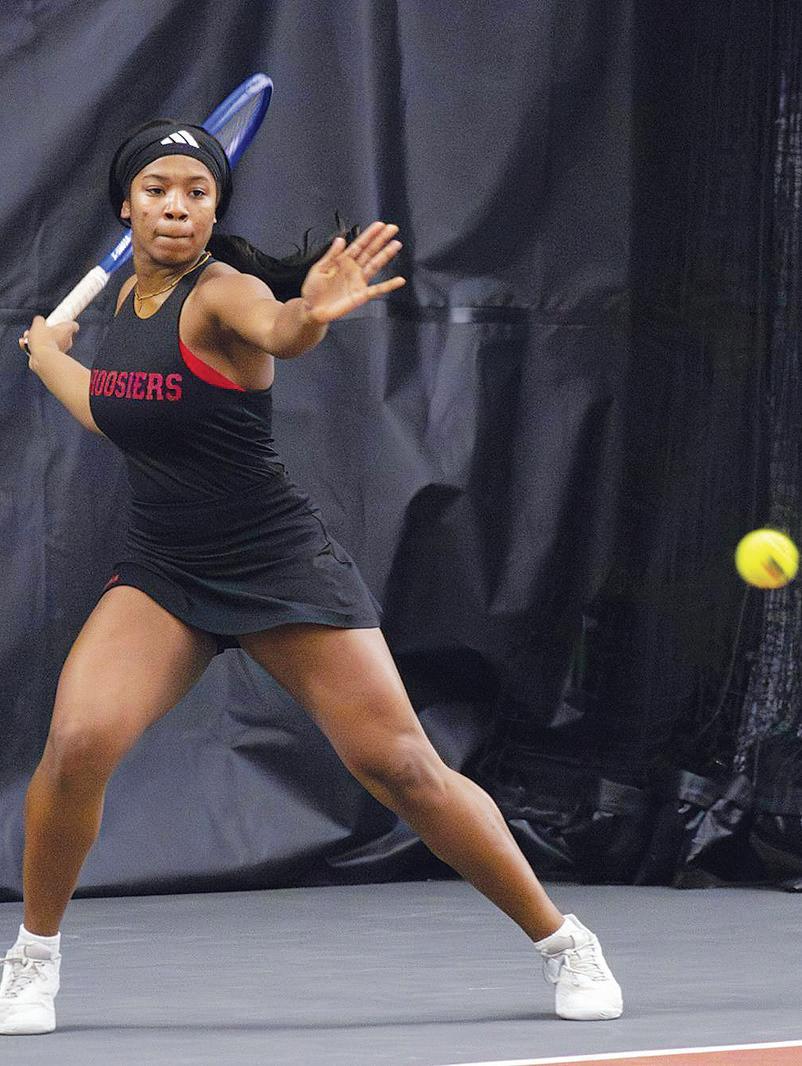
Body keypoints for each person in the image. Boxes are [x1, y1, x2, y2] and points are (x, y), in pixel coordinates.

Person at [0, 120, 623, 1035]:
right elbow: (112, 411)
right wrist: (52, 355)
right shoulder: (129, 299)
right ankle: (33, 957)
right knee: (79, 742)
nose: (177, 206)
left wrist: (309, 315)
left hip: (277, 564)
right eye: (158, 189)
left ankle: (564, 941)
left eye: (197, 192)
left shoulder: (227, 294)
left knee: (399, 767)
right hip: (166, 568)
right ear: (124, 206)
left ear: (216, 210)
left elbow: (281, 332)